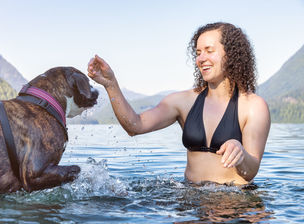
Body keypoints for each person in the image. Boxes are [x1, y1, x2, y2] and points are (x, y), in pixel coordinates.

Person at [87, 22, 270, 186]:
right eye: (198, 53)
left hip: (233, 206)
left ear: (231, 55)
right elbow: (134, 125)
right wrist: (111, 84)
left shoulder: (253, 106)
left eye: (209, 50)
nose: (201, 58)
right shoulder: (183, 102)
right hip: (190, 202)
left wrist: (240, 154)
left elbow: (250, 172)